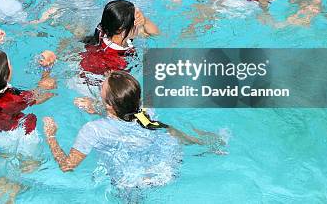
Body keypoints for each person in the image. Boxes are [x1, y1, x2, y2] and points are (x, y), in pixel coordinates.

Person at [44, 71, 225, 191]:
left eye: (102, 88)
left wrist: (51, 135)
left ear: (110, 104)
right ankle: (211, 145)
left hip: (132, 180)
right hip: (166, 168)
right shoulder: (146, 111)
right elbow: (133, 119)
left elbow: (67, 166)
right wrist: (99, 108)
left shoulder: (92, 130)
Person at [0, 30, 57, 135]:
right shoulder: (15, 99)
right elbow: (45, 92)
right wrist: (47, 69)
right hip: (9, 133)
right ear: (7, 76)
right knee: (30, 120)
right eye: (9, 64)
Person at [80, 0, 158, 78]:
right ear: (121, 30)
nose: (139, 25)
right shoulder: (117, 60)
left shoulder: (105, 29)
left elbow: (155, 33)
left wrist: (144, 20)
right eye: (136, 23)